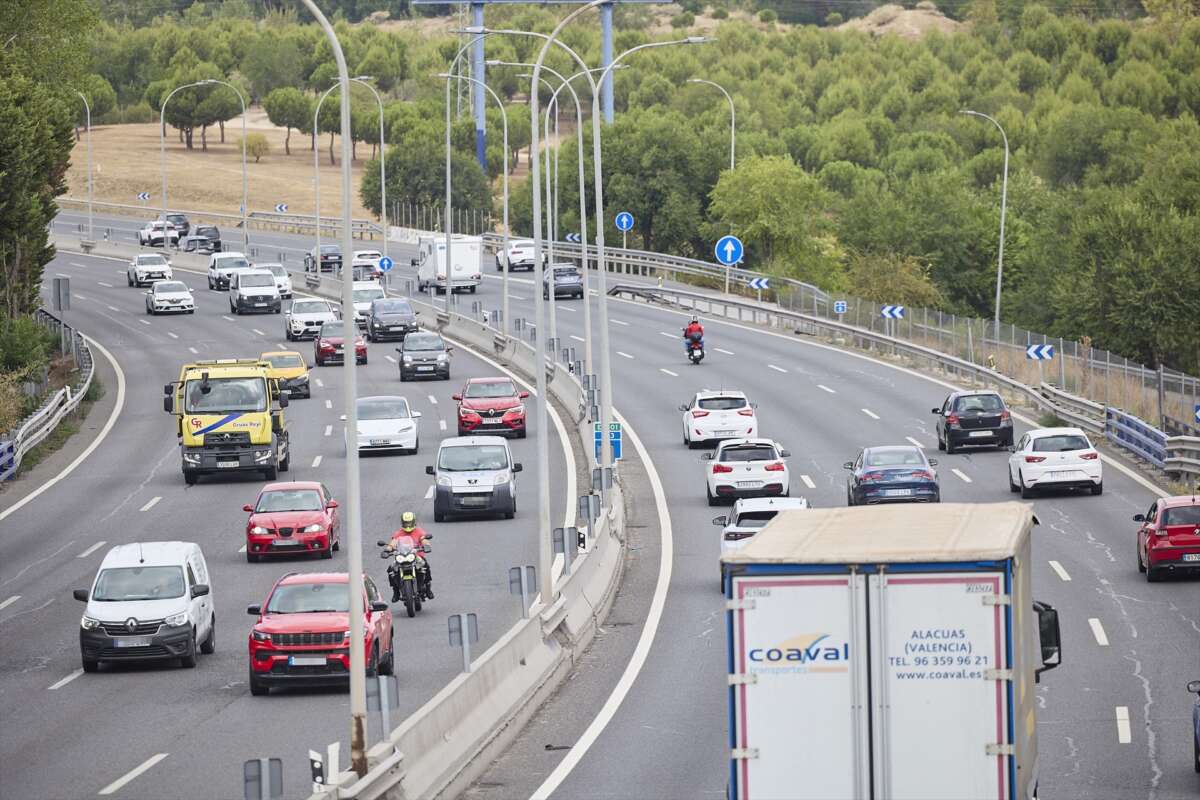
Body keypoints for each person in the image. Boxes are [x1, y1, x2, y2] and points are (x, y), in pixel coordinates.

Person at [388, 511, 433, 601]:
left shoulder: (418, 531)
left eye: (409, 522)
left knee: (425, 566)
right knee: (391, 569)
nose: (408, 524)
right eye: (406, 523)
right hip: (402, 556)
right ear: (402, 523)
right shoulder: (399, 533)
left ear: (413, 522)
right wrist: (388, 549)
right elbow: (393, 542)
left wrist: (426, 545)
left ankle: (428, 589)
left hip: (416, 556)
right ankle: (396, 591)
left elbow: (423, 539)